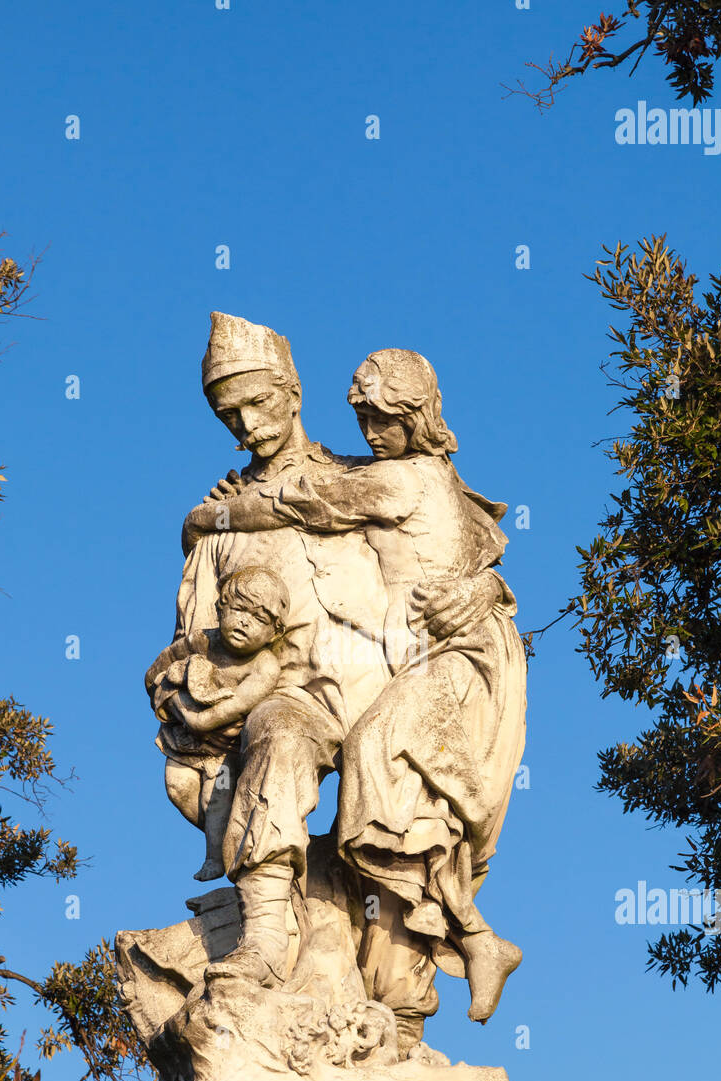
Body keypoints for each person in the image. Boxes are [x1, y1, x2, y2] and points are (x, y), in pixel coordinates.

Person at [165, 315, 503, 1004]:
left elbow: (470, 543)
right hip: (299, 697)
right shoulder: (217, 531)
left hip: (395, 685)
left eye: (258, 403)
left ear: (292, 392)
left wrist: (483, 588)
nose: (247, 424)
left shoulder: (370, 472)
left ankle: (406, 1016)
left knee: (398, 895)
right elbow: (188, 650)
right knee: (281, 738)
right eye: (229, 414)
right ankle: (262, 942)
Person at [146, 565, 289, 886]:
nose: (243, 622)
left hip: (225, 752)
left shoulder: (264, 665)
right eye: (238, 610)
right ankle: (229, 838)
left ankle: (217, 854)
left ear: (275, 633)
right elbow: (154, 675)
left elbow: (223, 713)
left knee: (217, 801)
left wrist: (191, 714)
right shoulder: (202, 643)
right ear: (220, 608)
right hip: (184, 742)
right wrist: (172, 694)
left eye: (258, 618)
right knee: (178, 788)